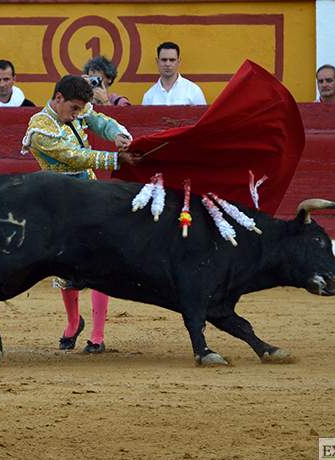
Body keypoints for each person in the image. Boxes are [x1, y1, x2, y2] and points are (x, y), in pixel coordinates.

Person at [21, 75, 141, 353]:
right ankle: (74, 322)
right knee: (65, 266)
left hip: (90, 195)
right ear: (59, 98)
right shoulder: (39, 128)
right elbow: (73, 156)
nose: (78, 114)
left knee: (100, 261)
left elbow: (98, 120)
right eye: (74, 108)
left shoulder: (76, 108)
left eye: (80, 109)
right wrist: (113, 159)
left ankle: (97, 336)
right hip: (60, 203)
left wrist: (117, 134)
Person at [141, 42, 206, 106]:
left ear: (179, 62)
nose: (167, 64)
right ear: (157, 62)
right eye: (164, 60)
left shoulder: (193, 91)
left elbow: (203, 115)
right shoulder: (149, 96)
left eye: (172, 60)